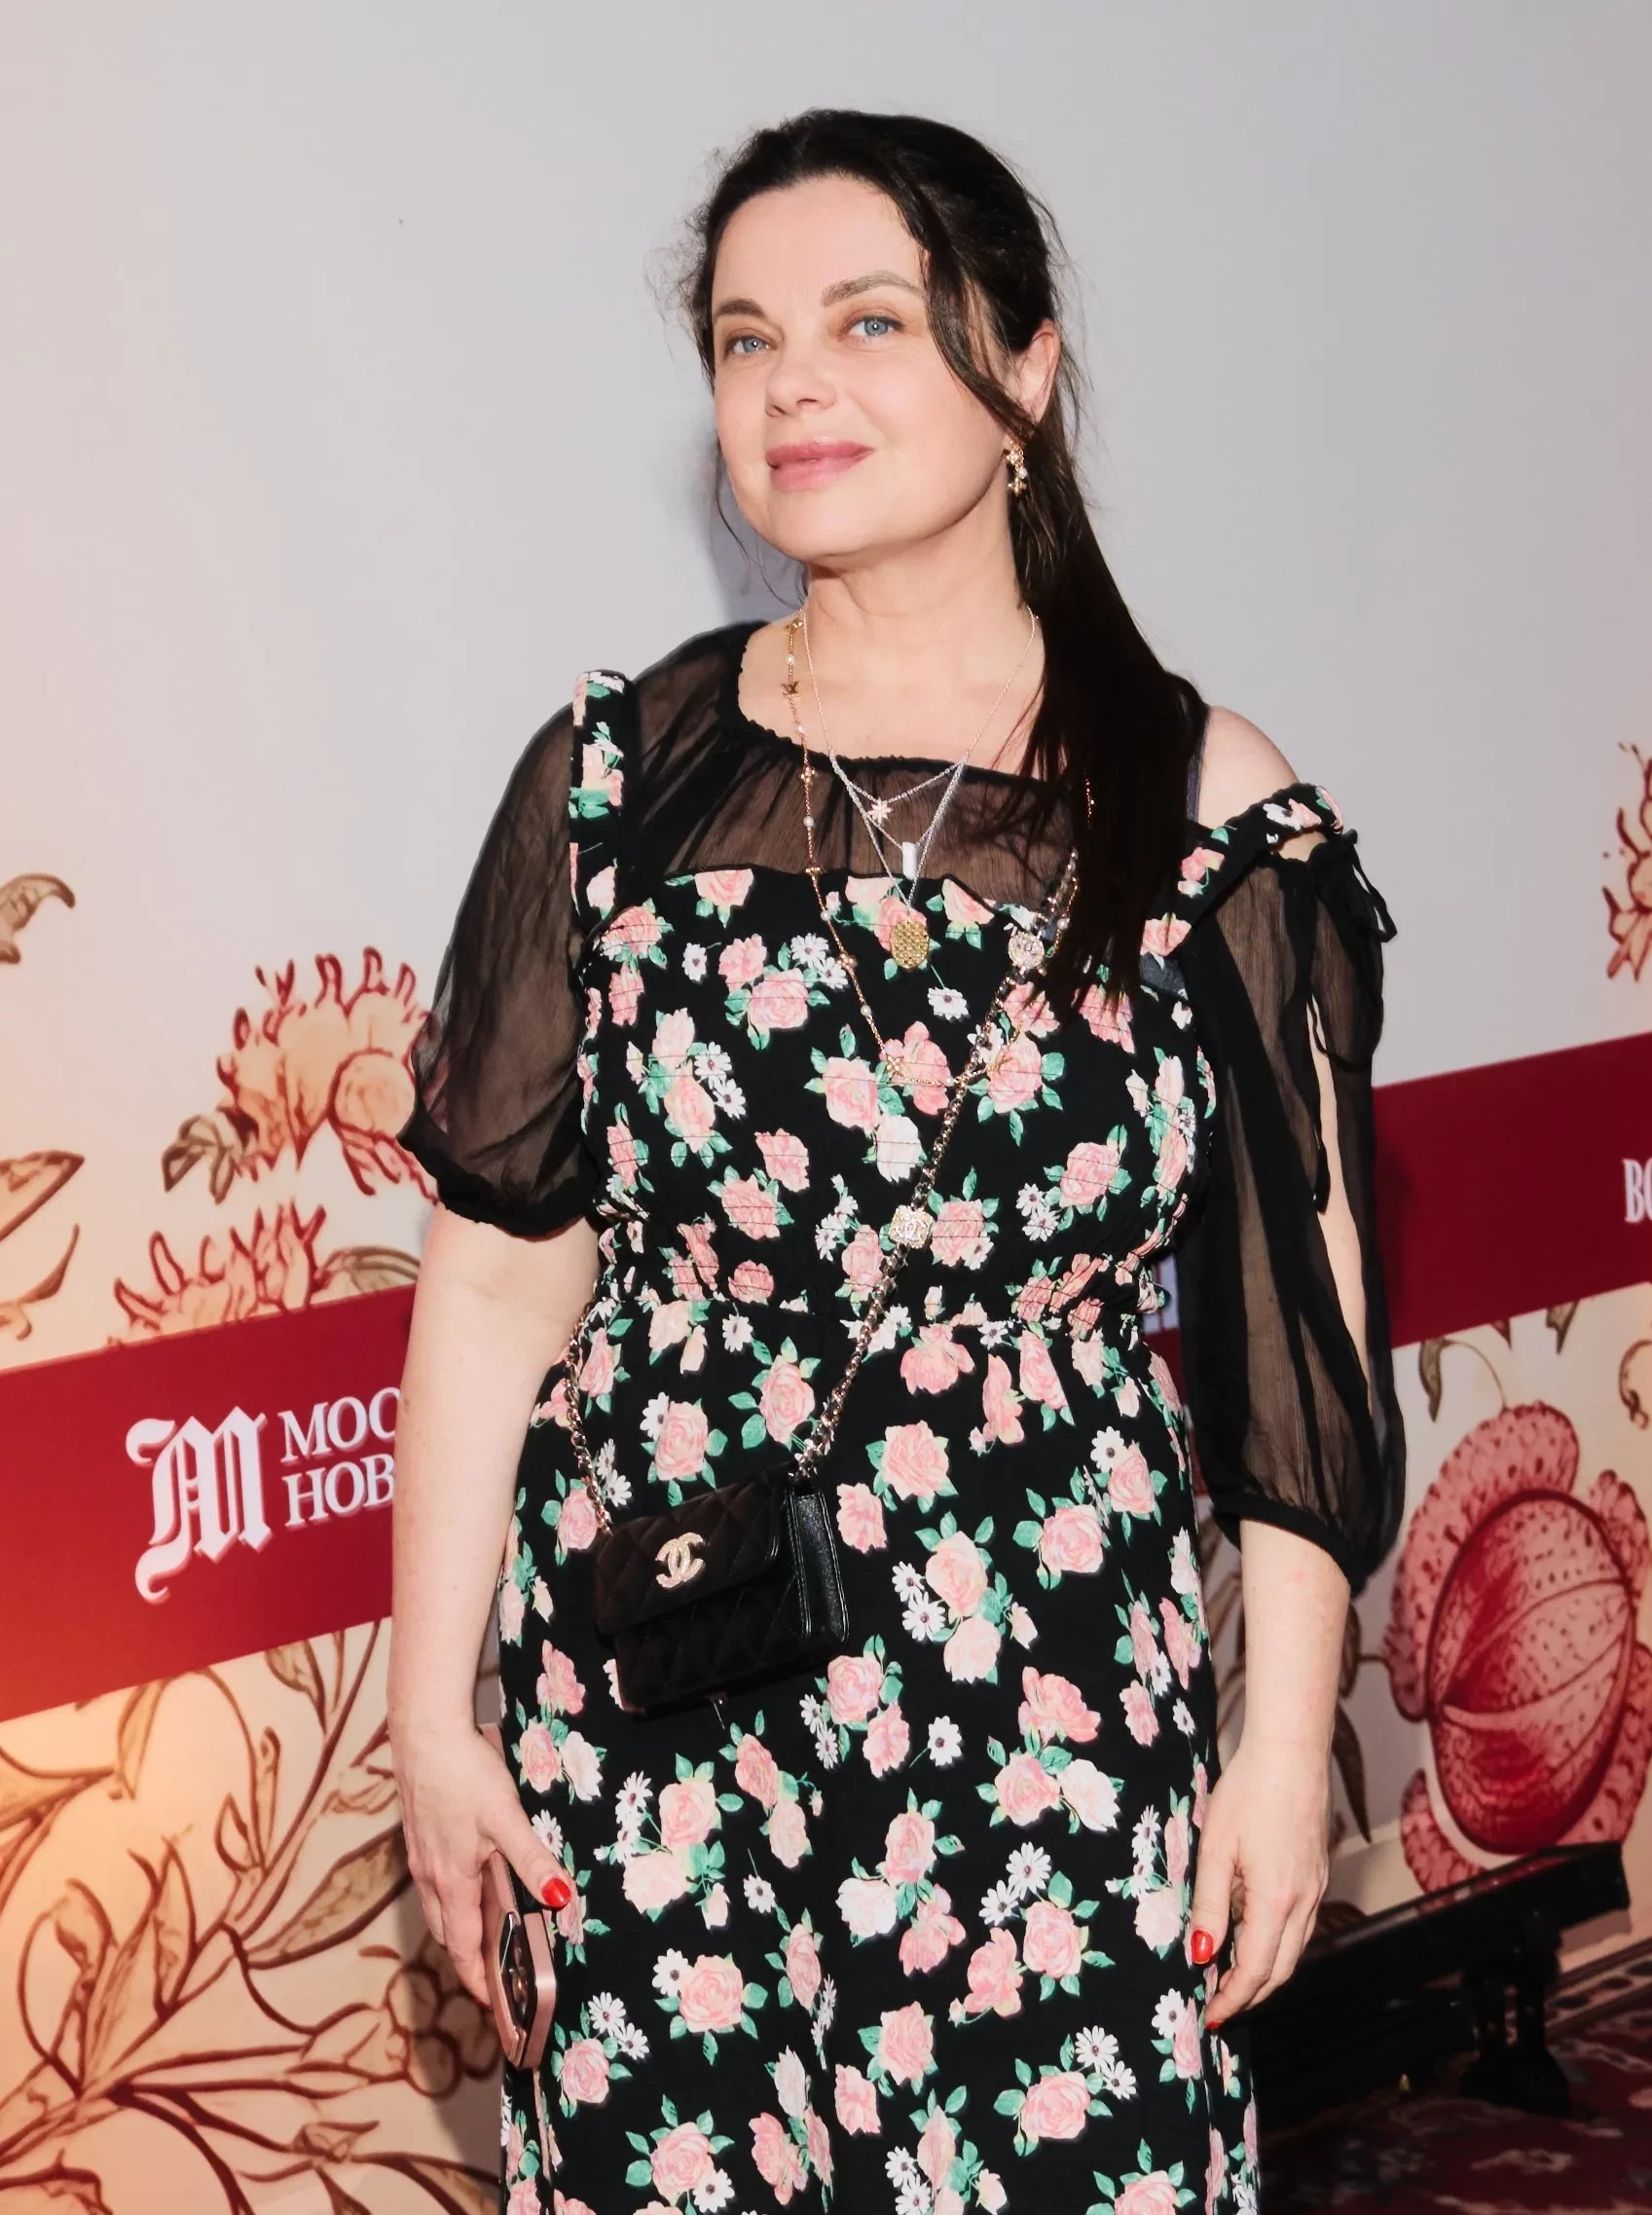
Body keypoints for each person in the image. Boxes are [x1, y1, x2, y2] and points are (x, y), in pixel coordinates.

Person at [388, 108, 1404, 2215]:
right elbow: (493, 1276)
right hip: (658, 1683)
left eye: (866, 320)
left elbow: (1300, 1342)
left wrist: (1276, 1753)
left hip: (1045, 1688)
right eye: (744, 340)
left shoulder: (1205, 808)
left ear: (1023, 366)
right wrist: (435, 1716)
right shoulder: (613, 783)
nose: (794, 385)